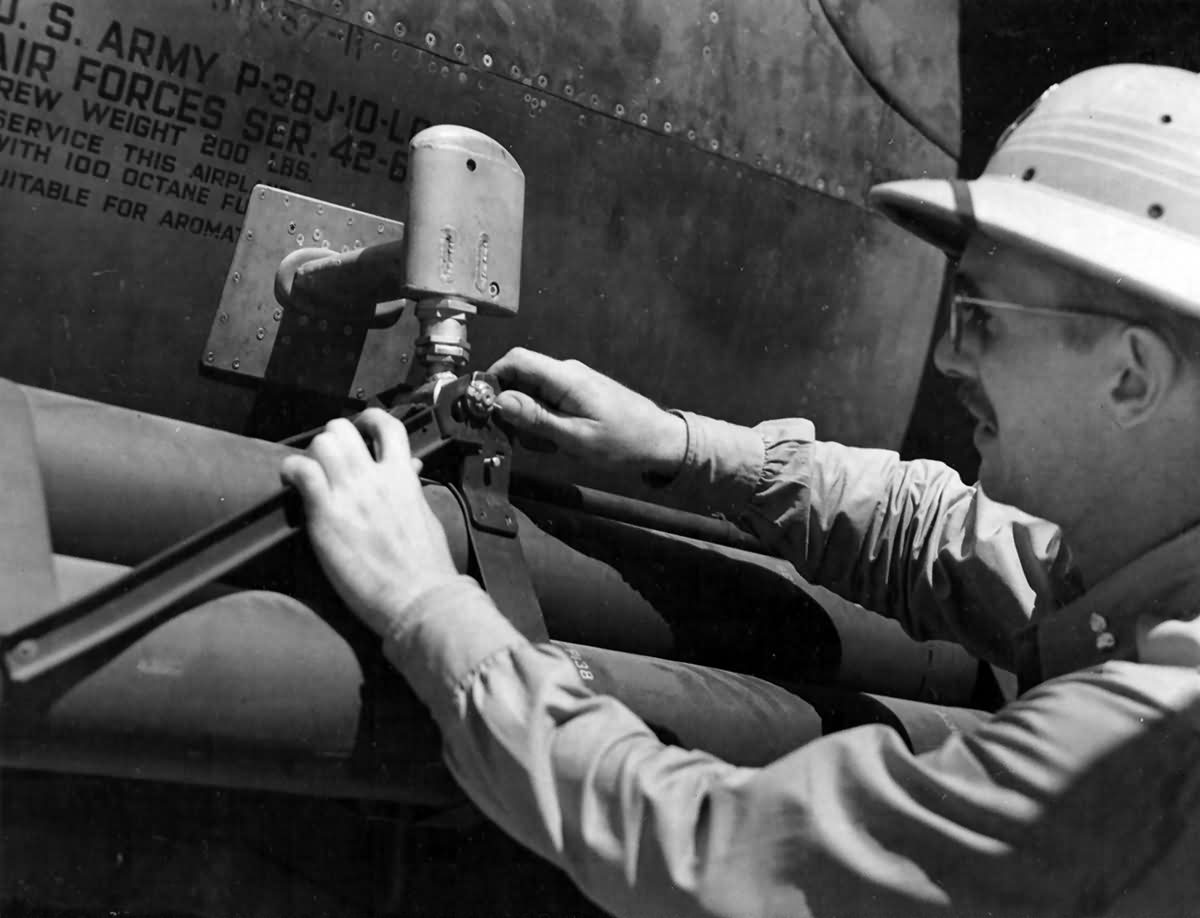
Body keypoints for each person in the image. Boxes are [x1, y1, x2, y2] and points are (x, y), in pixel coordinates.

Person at [280, 64, 1200, 916]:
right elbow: (952, 542)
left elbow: (718, 855)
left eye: (984, 319)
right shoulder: (1151, 569)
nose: (950, 355)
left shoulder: (1139, 744)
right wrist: (685, 448)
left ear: (1132, 376)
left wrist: (427, 606)